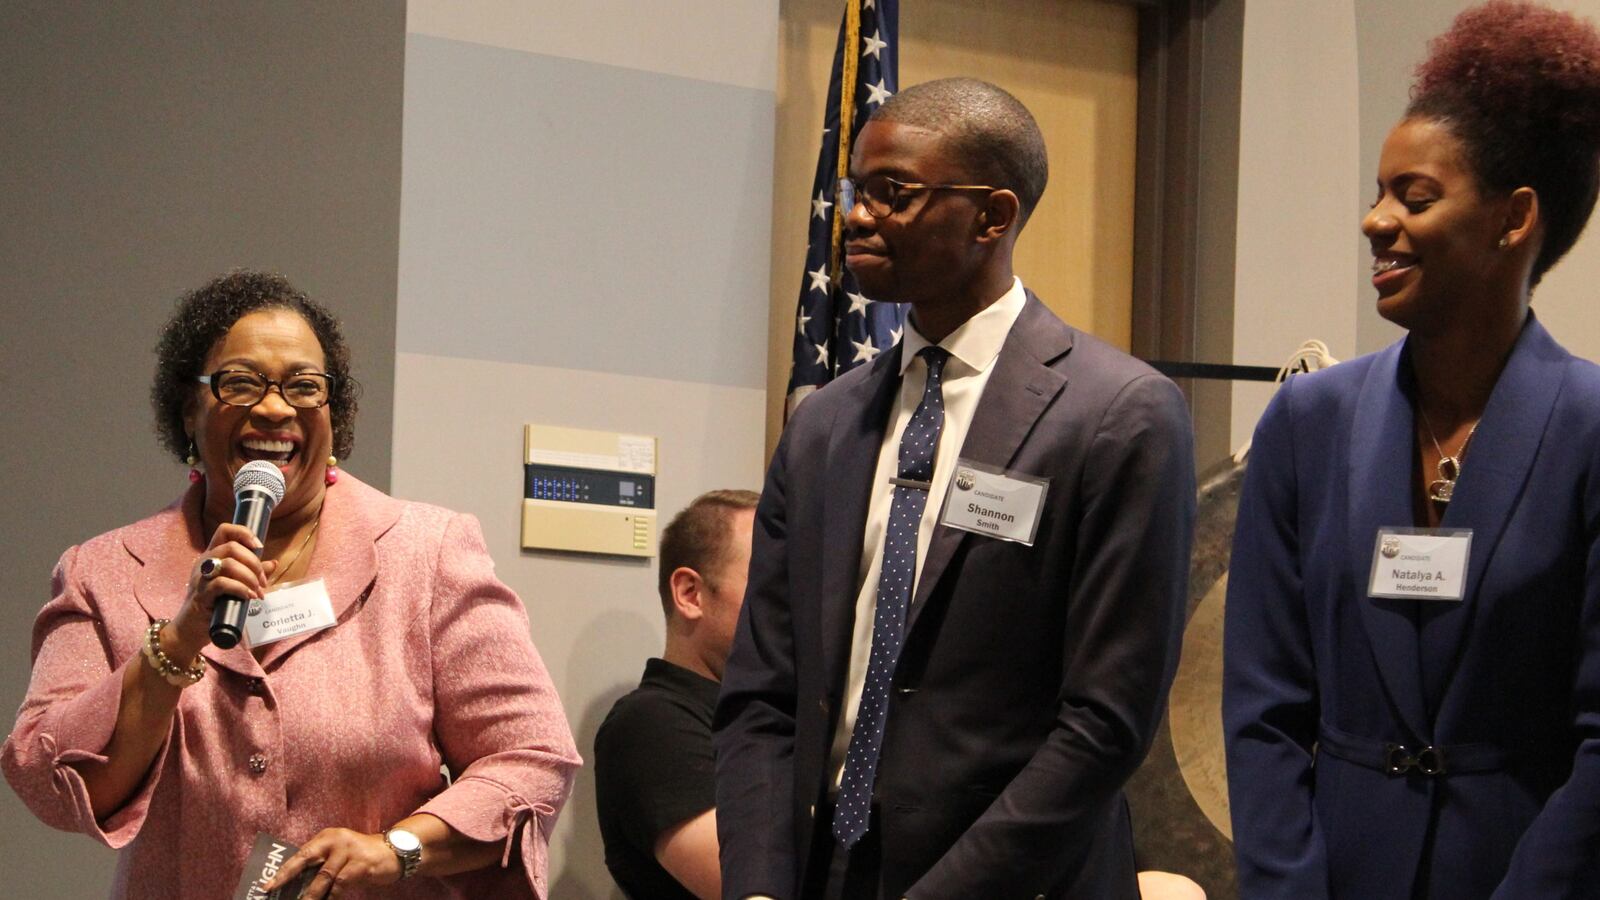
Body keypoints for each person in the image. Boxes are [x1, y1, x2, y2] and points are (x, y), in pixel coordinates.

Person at [714, 78, 1196, 899]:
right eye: (857, 192)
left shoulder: (1118, 414)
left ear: (992, 217)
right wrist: (759, 885)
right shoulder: (825, 423)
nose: (857, 218)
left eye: (892, 193)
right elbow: (764, 691)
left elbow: (1106, 722)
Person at [2, 270, 581, 899]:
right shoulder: (103, 571)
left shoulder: (427, 553)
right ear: (189, 410)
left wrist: (398, 849)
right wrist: (177, 641)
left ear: (334, 414)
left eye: (304, 386)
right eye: (240, 383)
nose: (275, 408)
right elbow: (45, 777)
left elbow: (531, 757)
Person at [1223, 3, 1600, 897]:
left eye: (1414, 197)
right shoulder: (1307, 422)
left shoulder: (1590, 427)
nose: (1375, 220)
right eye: (1377, 193)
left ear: (1514, 218)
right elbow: (1262, 709)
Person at [594, 489, 758, 900]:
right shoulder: (651, 725)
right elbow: (750, 881)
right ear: (690, 594)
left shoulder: (772, 715)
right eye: (771, 581)